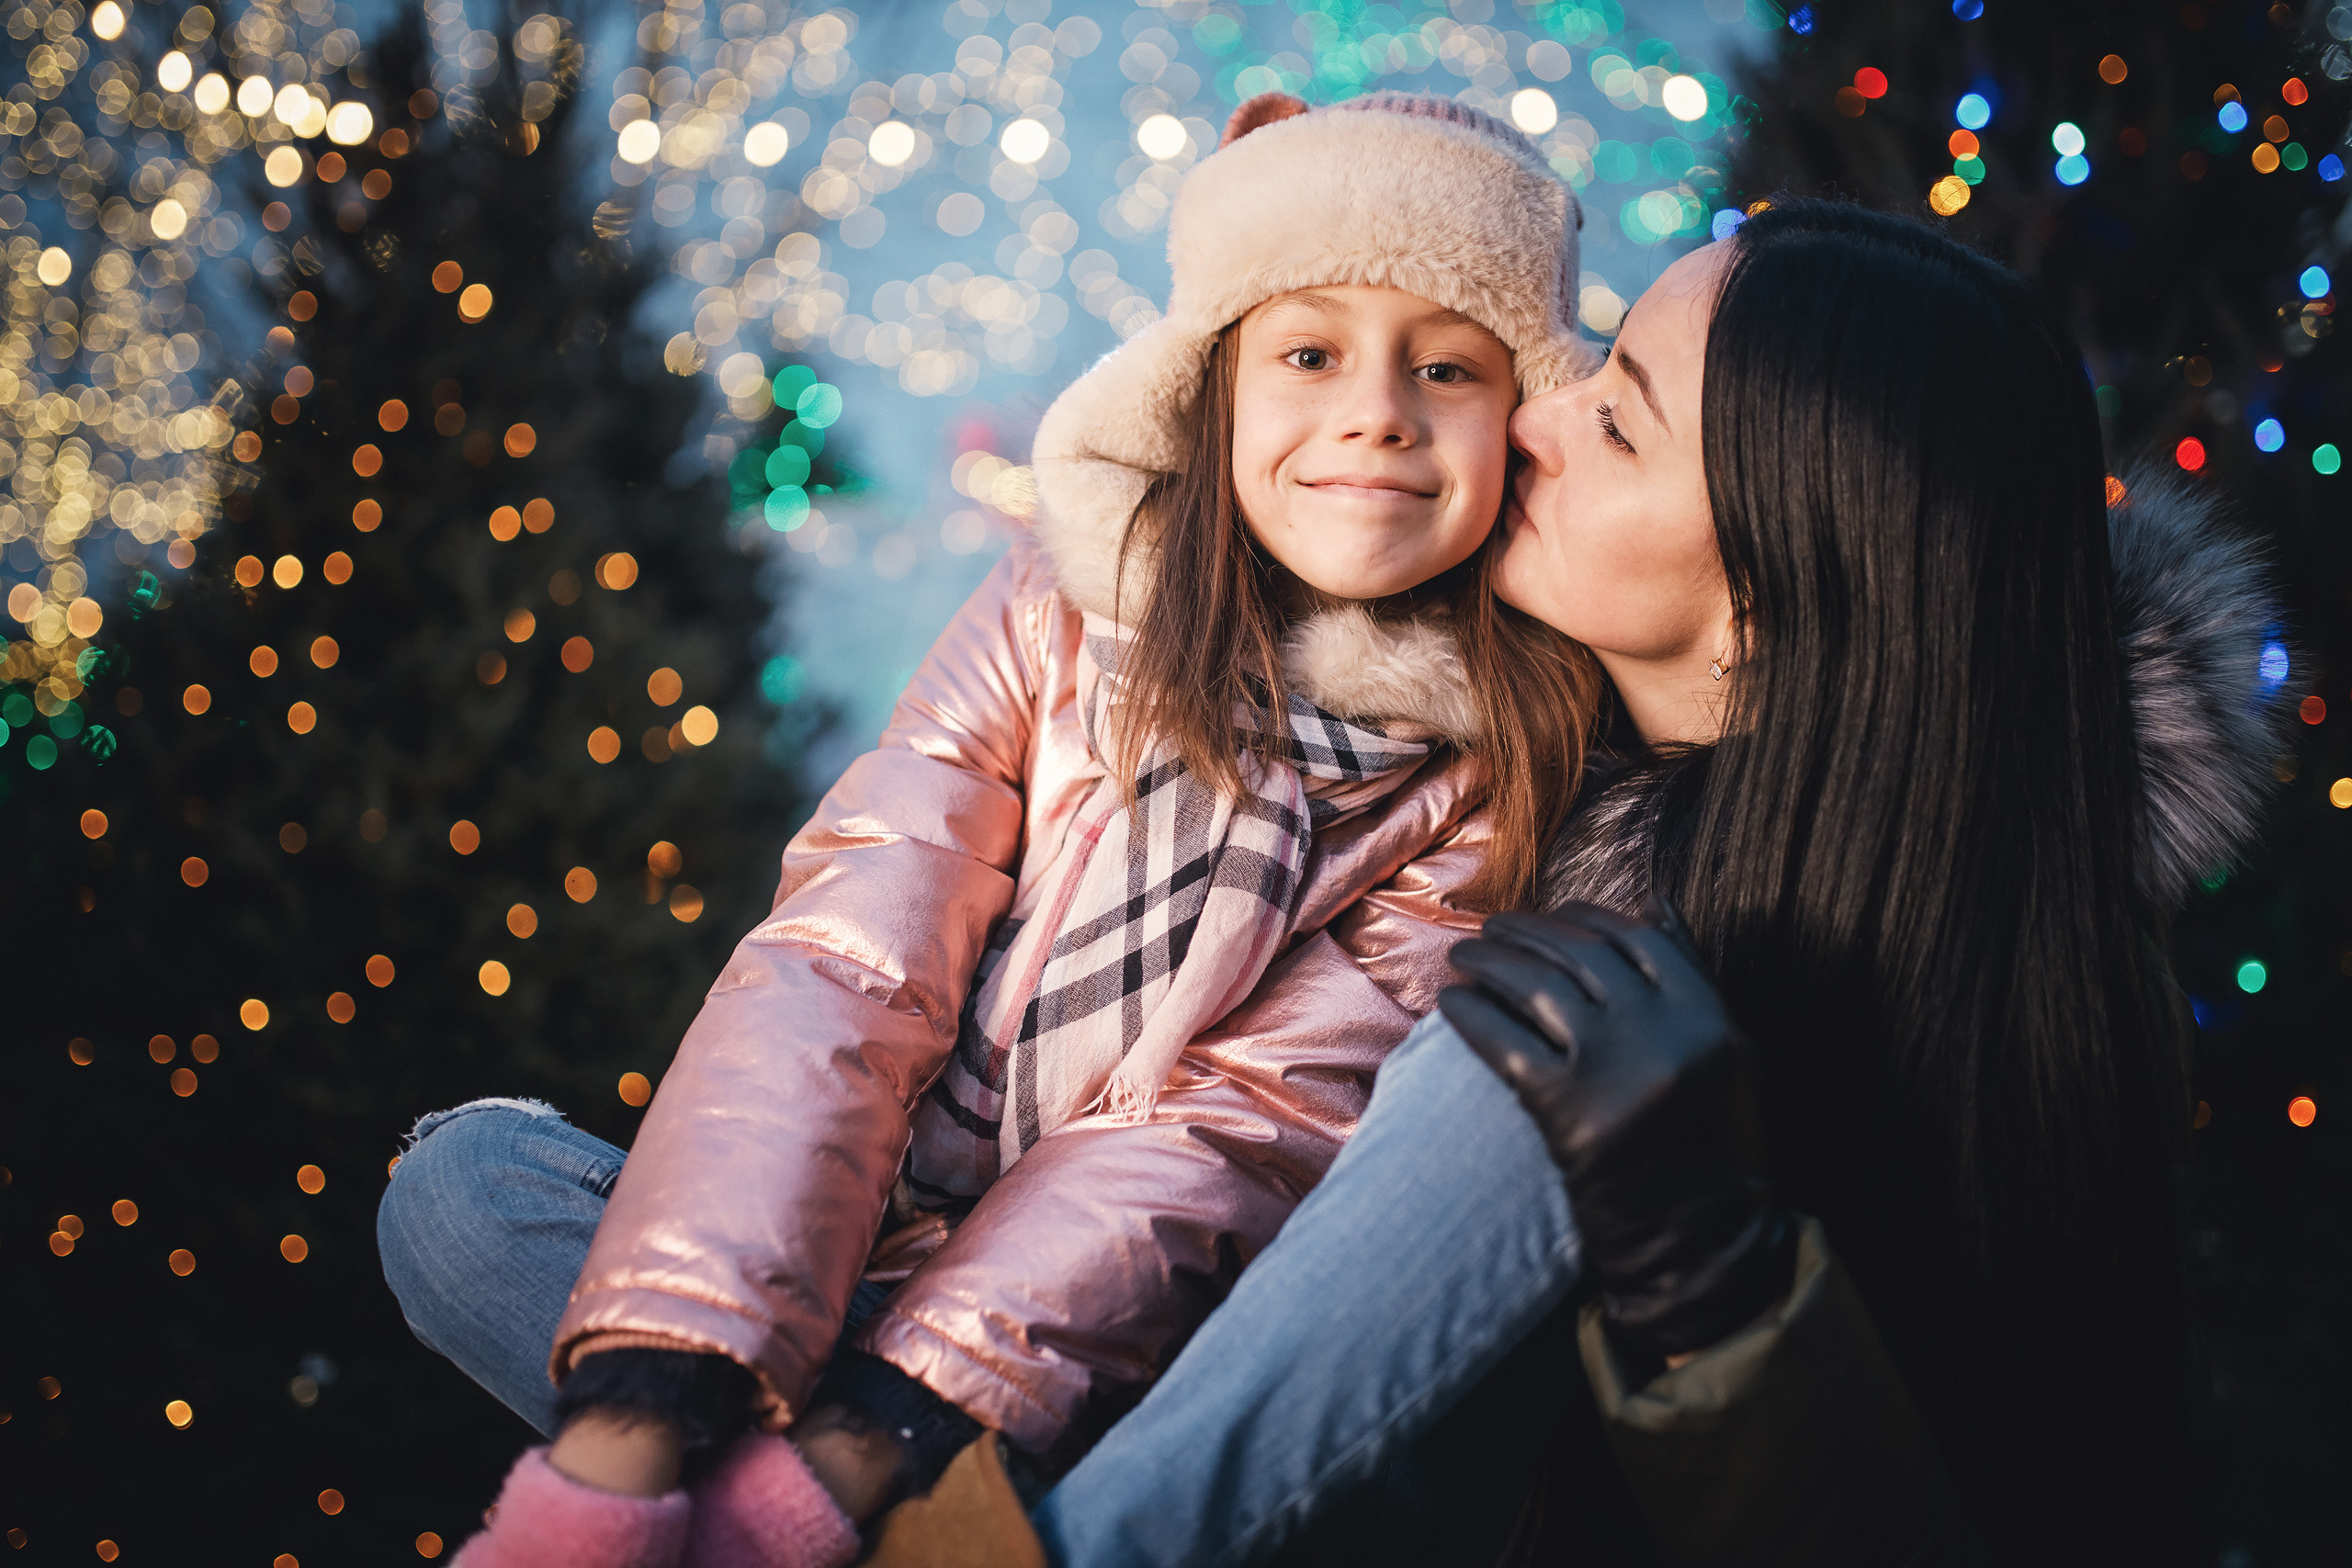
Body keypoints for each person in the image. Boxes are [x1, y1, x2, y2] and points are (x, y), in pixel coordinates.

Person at [865, 203, 2286, 1567]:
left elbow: (2042, 1512)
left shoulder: (1991, 1025)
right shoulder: (1449, 714)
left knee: (1512, 1079)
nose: (1535, 416)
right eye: (1599, 361)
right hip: (983, 1355)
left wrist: (1711, 1284)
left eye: (1618, 420)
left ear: (1768, 609)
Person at [379, 93, 1607, 1566]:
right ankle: (830, 1506)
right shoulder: (1059, 607)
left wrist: (866, 1440)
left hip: (1101, 1357)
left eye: (1449, 367)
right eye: (1309, 351)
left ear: (1520, 418)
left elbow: (1222, 1133)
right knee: (465, 1191)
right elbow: (848, 964)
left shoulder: (1490, 767)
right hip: (864, 1255)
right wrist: (634, 1414)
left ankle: (874, 1506)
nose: (1377, 412)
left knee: (1104, 1431)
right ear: (1211, 386)